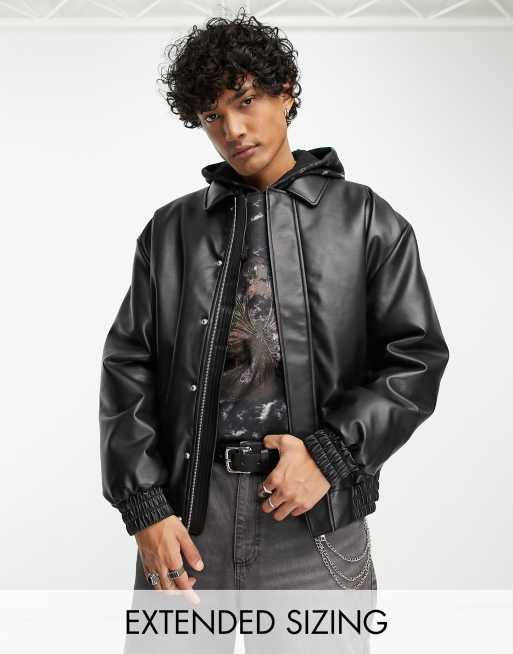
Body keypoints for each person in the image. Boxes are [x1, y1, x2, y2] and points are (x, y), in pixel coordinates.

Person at [99, 7, 449, 604]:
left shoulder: (365, 219)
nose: (233, 129)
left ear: (285, 94)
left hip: (315, 521)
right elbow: (128, 364)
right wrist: (144, 507)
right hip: (186, 522)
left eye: (246, 101)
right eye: (212, 116)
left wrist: (331, 455)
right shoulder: (171, 230)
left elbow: (415, 359)